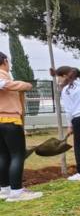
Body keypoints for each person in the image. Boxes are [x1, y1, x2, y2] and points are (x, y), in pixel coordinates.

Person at [0, 51, 41, 202]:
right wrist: (25, 85)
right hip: (10, 121)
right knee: (17, 155)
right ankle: (17, 191)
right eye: (8, 61)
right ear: (4, 61)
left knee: (3, 155)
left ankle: (4, 189)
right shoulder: (2, 76)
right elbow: (6, 85)